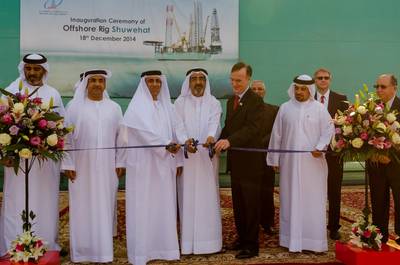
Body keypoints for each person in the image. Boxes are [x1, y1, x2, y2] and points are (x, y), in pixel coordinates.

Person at [0, 54, 65, 252]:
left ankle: (44, 245)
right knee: (16, 200)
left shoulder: (52, 93)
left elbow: (62, 127)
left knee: (44, 201)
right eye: (29, 68)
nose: (33, 73)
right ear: (23, 69)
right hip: (17, 162)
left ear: (44, 71)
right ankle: (13, 245)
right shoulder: (11, 92)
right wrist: (5, 154)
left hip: (45, 163)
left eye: (37, 69)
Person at [61, 69, 126, 263]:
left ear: (105, 84)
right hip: (81, 167)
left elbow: (122, 138)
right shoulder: (73, 107)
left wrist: (121, 161)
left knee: (105, 205)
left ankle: (104, 251)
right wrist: (68, 163)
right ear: (86, 84)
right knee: (82, 206)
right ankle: (81, 250)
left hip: (107, 167)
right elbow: (66, 138)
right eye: (93, 81)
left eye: (101, 81)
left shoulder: (114, 107)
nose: (97, 84)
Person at [267, 74, 334, 253]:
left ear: (310, 90)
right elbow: (277, 135)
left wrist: (320, 147)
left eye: (303, 89)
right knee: (289, 200)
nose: (299, 92)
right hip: (289, 165)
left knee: (312, 201)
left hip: (313, 166)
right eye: (296, 88)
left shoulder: (319, 109)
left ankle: (313, 242)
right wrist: (274, 159)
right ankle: (290, 240)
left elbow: (329, 130)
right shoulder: (285, 108)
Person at [123, 70, 181, 265]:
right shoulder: (136, 107)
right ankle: (141, 253)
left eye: (158, 81)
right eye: (150, 81)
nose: (155, 84)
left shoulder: (169, 107)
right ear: (144, 84)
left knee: (164, 204)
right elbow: (143, 132)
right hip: (143, 165)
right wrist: (165, 144)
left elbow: (177, 133)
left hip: (165, 164)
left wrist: (178, 159)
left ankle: (166, 249)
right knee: (142, 205)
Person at [214, 62, 264, 259]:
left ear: (248, 79)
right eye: (232, 80)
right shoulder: (230, 101)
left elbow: (252, 129)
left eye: (239, 80)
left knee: (251, 205)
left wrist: (229, 141)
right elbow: (229, 127)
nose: (234, 84)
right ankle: (242, 238)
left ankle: (252, 245)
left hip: (251, 164)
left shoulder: (255, 101)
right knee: (239, 204)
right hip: (236, 164)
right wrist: (217, 140)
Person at [174, 68, 223, 254]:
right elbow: (177, 125)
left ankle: (210, 243)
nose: (198, 82)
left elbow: (215, 123)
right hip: (187, 160)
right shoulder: (179, 103)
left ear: (206, 82)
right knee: (187, 197)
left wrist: (211, 136)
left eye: (201, 78)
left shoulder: (214, 102)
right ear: (188, 82)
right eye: (194, 78)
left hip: (206, 159)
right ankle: (188, 244)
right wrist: (185, 141)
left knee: (208, 197)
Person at [314, 68, 348, 240]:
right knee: (313, 190)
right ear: (315, 80)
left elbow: (347, 125)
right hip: (312, 154)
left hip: (334, 154)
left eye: (326, 78)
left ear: (330, 79)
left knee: (334, 191)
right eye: (319, 78)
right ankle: (314, 224)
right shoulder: (307, 98)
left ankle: (334, 226)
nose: (323, 80)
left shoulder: (341, 99)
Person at [367, 74, 400, 245]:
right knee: (378, 201)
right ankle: (380, 236)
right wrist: (371, 152)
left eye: (383, 86)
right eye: (377, 86)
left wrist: (390, 155)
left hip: (397, 166)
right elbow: (363, 135)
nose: (379, 90)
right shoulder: (370, 109)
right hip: (376, 165)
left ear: (394, 87)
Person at [251, 80, 279, 235]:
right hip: (248, 159)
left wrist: (258, 143)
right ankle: (252, 223)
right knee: (249, 194)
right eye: (253, 89)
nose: (257, 91)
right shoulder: (243, 110)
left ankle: (268, 223)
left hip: (266, 158)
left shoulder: (274, 110)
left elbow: (276, 132)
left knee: (267, 192)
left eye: (260, 89)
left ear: (264, 92)